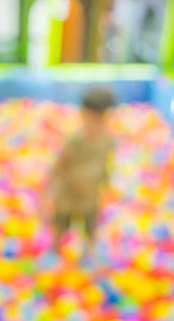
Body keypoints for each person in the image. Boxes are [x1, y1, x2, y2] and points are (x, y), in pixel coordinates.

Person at [46, 86, 116, 259]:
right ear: (83, 115)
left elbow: (105, 165)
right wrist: (47, 193)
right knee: (61, 225)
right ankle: (55, 252)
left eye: (100, 120)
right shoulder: (75, 142)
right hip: (68, 197)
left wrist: (106, 185)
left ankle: (90, 254)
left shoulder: (107, 141)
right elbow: (58, 168)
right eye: (91, 119)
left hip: (89, 198)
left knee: (90, 227)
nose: (95, 125)